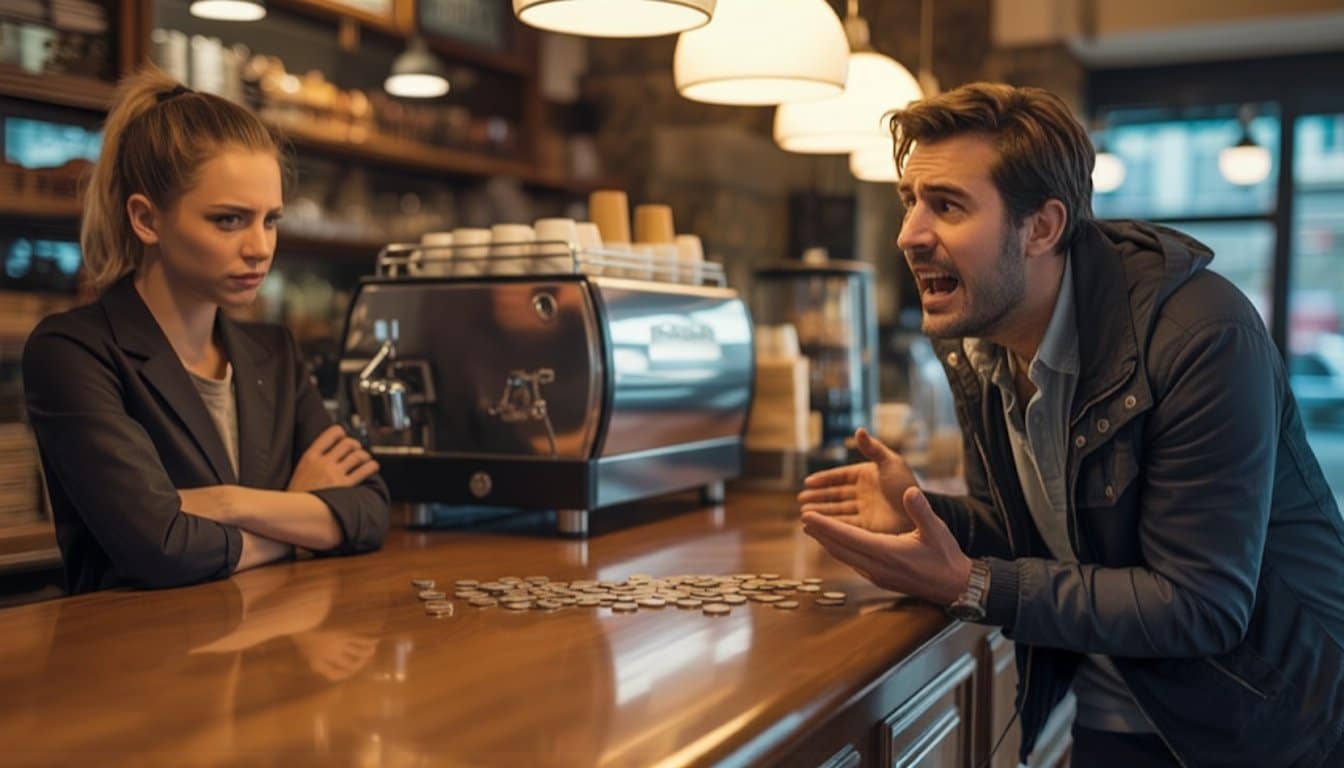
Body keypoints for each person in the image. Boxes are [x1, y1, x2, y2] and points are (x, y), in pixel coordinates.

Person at [798, 82, 1344, 767]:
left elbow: (1202, 603)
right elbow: (1049, 537)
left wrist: (971, 583)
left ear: (1043, 228)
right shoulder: (979, 340)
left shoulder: (1201, 334)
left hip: (1261, 726)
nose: (908, 234)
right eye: (910, 202)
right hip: (1116, 705)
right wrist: (925, 518)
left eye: (946, 205)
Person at [23, 68, 390, 595]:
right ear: (147, 219)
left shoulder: (275, 353)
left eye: (270, 220)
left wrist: (224, 502)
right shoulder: (73, 352)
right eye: (229, 220)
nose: (260, 247)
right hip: (133, 661)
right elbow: (160, 548)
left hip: (267, 648)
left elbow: (369, 509)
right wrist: (299, 517)